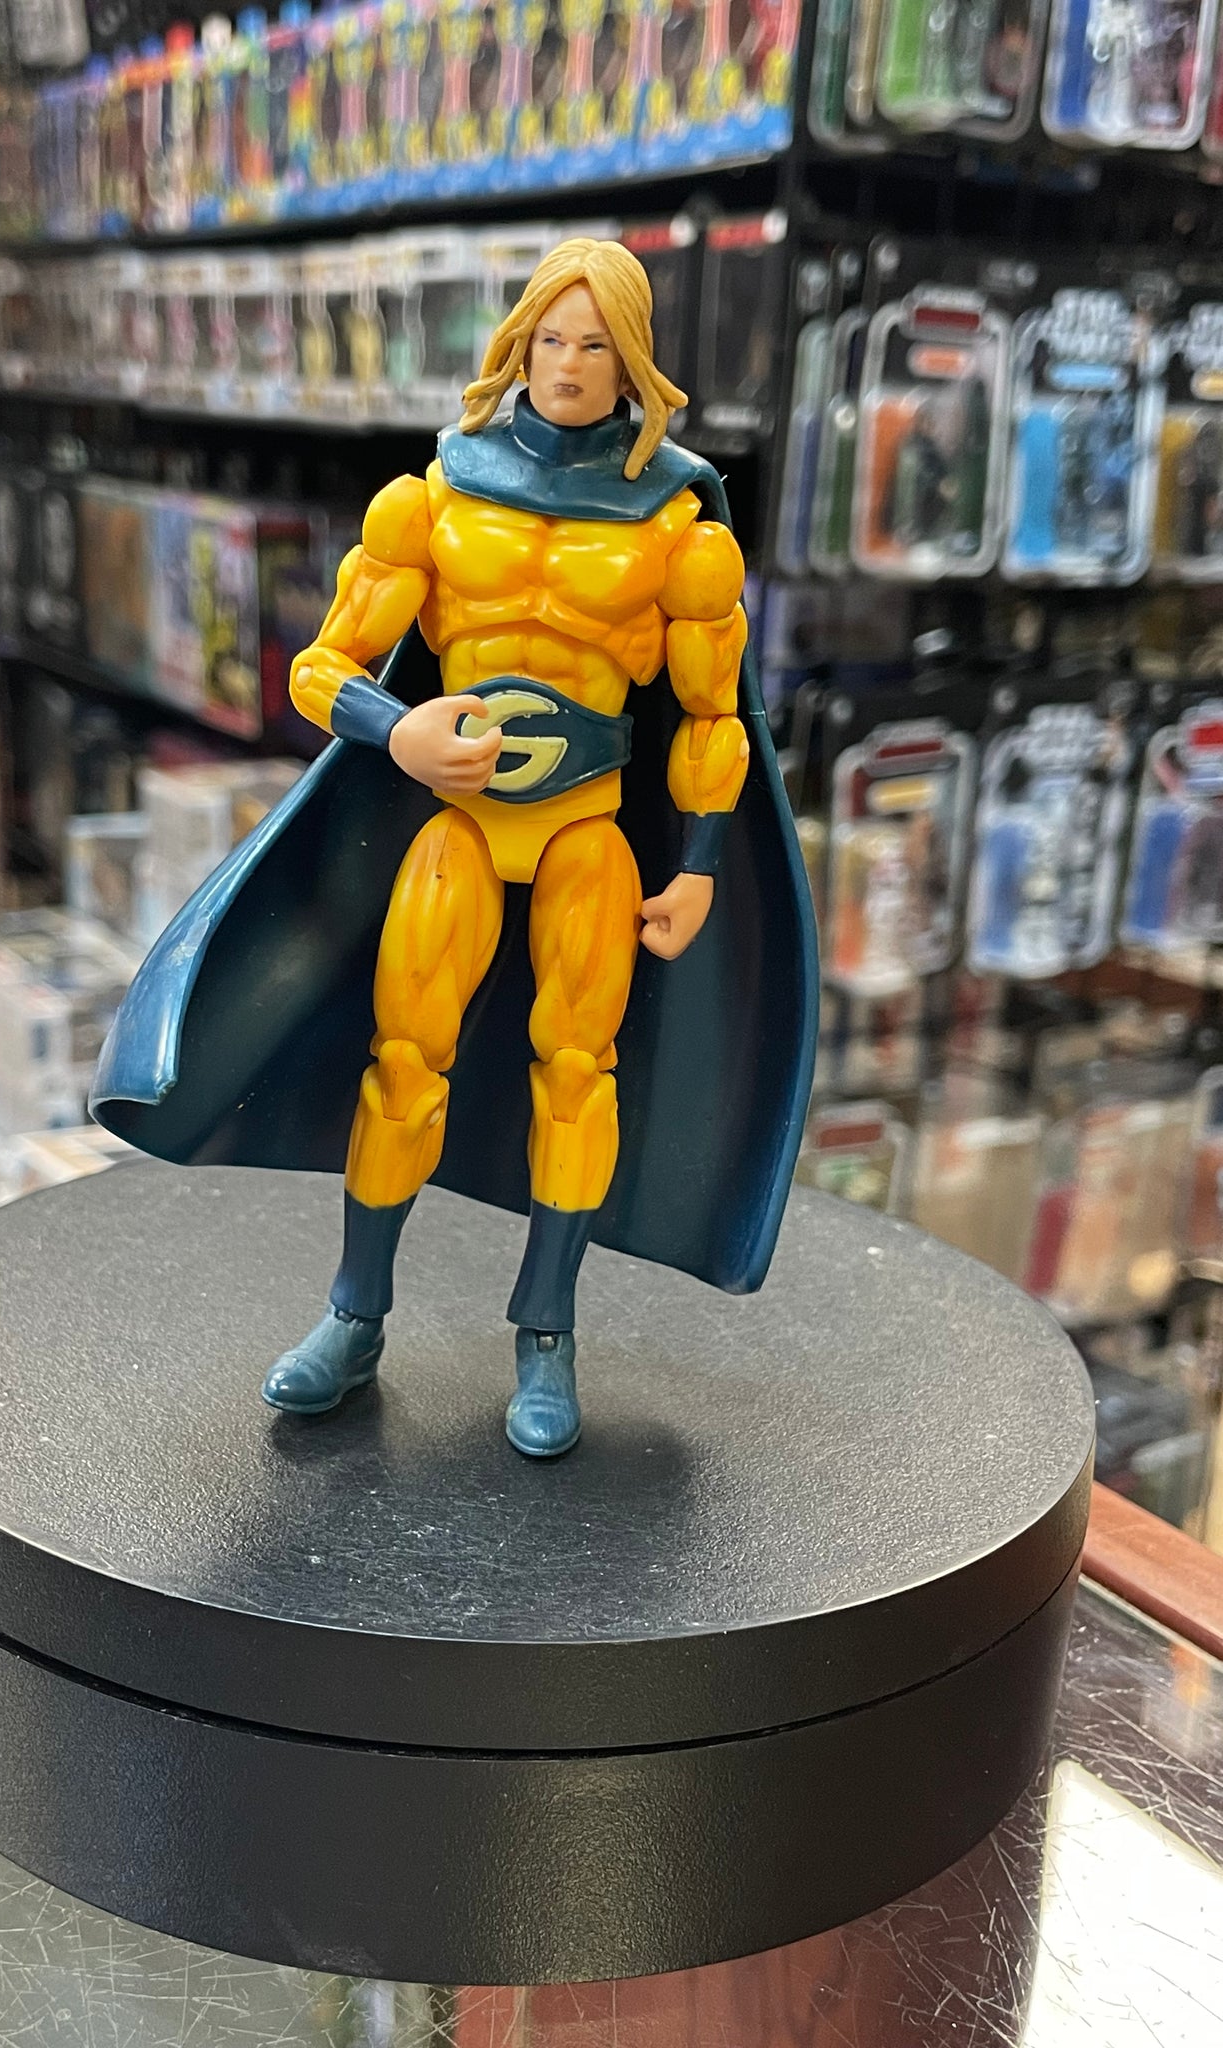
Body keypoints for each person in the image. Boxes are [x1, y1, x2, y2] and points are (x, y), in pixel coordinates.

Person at [92, 239, 817, 1460]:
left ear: (633, 363)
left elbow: (711, 718)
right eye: (552, 341)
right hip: (462, 824)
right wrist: (400, 728)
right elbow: (319, 668)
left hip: (587, 829)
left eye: (596, 346)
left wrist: (696, 864)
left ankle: (547, 1331)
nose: (569, 366)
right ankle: (354, 1313)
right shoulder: (432, 495)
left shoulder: (680, 529)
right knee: (402, 1062)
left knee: (579, 1075)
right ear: (519, 347)